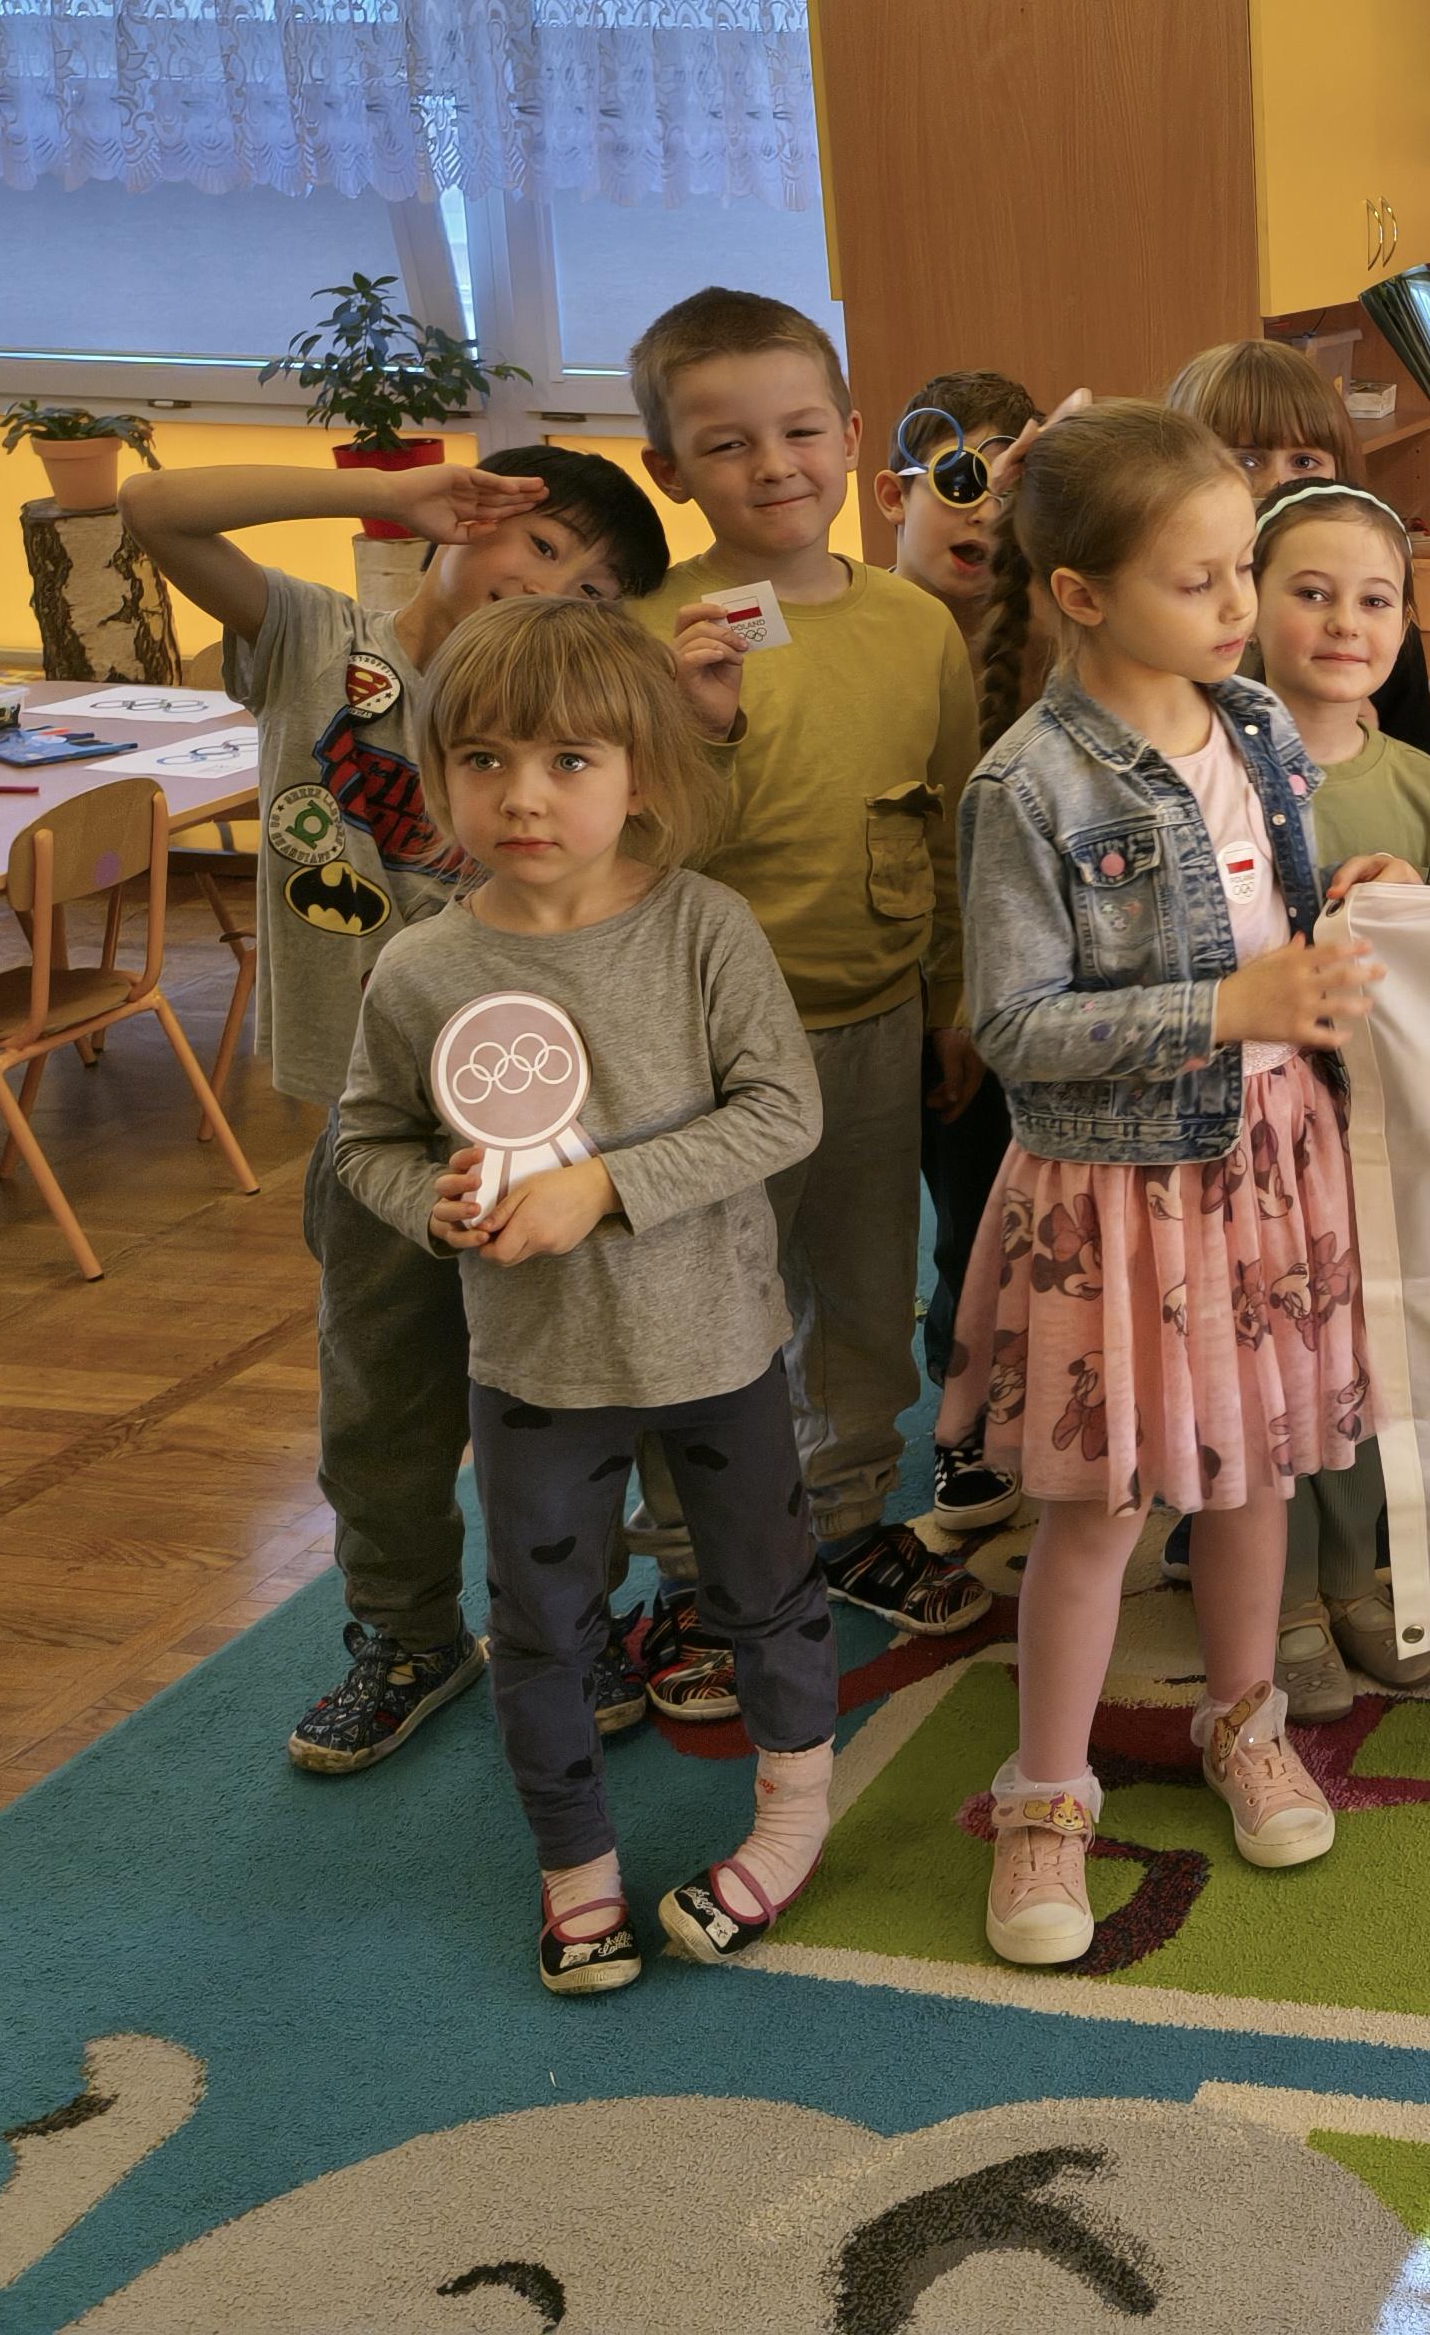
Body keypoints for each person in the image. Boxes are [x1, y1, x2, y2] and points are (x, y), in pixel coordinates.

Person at [122, 440, 674, 1777]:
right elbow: (152, 510)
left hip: (544, 1132)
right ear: (466, 519)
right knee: (380, 1404)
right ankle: (407, 1634)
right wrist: (382, 496)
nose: (551, 588)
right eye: (540, 544)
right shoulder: (322, 645)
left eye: (593, 591)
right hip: (371, 1130)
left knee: (564, 1395)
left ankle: (576, 1620)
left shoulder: (567, 731)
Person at [946, 402, 1414, 1966]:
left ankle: (1244, 1719)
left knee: (1257, 1473)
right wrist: (1231, 1006)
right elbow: (1018, 1027)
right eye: (1199, 580)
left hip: (1274, 1161)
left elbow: (1270, 923)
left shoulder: (1260, 726)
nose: (1237, 608)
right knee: (1101, 1508)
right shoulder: (1028, 786)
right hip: (1121, 1192)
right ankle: (1046, 1797)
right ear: (1083, 595)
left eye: (1241, 574)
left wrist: (1348, 908)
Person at [326, 600, 827, 1995]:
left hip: (716, 1346)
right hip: (536, 1370)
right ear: (439, 777)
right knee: (544, 1626)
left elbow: (783, 1109)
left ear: (641, 774)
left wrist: (605, 1188)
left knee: (764, 1593)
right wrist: (426, 1206)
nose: (524, 796)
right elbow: (366, 1139)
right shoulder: (422, 965)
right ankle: (574, 1867)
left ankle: (794, 1817)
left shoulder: (702, 927)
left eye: (569, 760)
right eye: (483, 760)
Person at [624, 288, 988, 1711]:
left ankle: (842, 1518)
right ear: (669, 469)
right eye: (727, 444)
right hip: (701, 1050)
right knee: (709, 1307)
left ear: (852, 439)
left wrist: (949, 999)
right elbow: (637, 854)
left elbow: (945, 826)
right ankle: (695, 1569)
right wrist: (700, 723)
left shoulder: (916, 626)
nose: (772, 466)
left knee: (862, 1291)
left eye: (798, 432)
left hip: (876, 1023)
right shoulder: (652, 634)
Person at [1246, 476, 1430, 1720]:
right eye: (1313, 593)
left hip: (1375, 1125)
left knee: (1368, 1350)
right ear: (1249, 602)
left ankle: (1354, 1575)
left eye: (1376, 600)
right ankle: (1280, 1596)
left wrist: (1414, 907)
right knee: (1273, 1351)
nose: (1346, 622)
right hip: (1252, 1125)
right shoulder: (1216, 768)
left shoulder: (1422, 786)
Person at [871, 364, 1042, 1537]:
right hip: (867, 977)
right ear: (895, 492)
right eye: (963, 478)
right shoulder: (851, 633)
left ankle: (975, 1414)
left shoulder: (1046, 644)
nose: (983, 510)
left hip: (1000, 995)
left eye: (1013, 486)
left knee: (986, 1215)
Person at [1171, 338, 1430, 755]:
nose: (1279, 484)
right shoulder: (1167, 612)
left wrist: (1369, 745)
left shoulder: (1376, 609)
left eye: (1304, 462)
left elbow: (1416, 761)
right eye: (1245, 461)